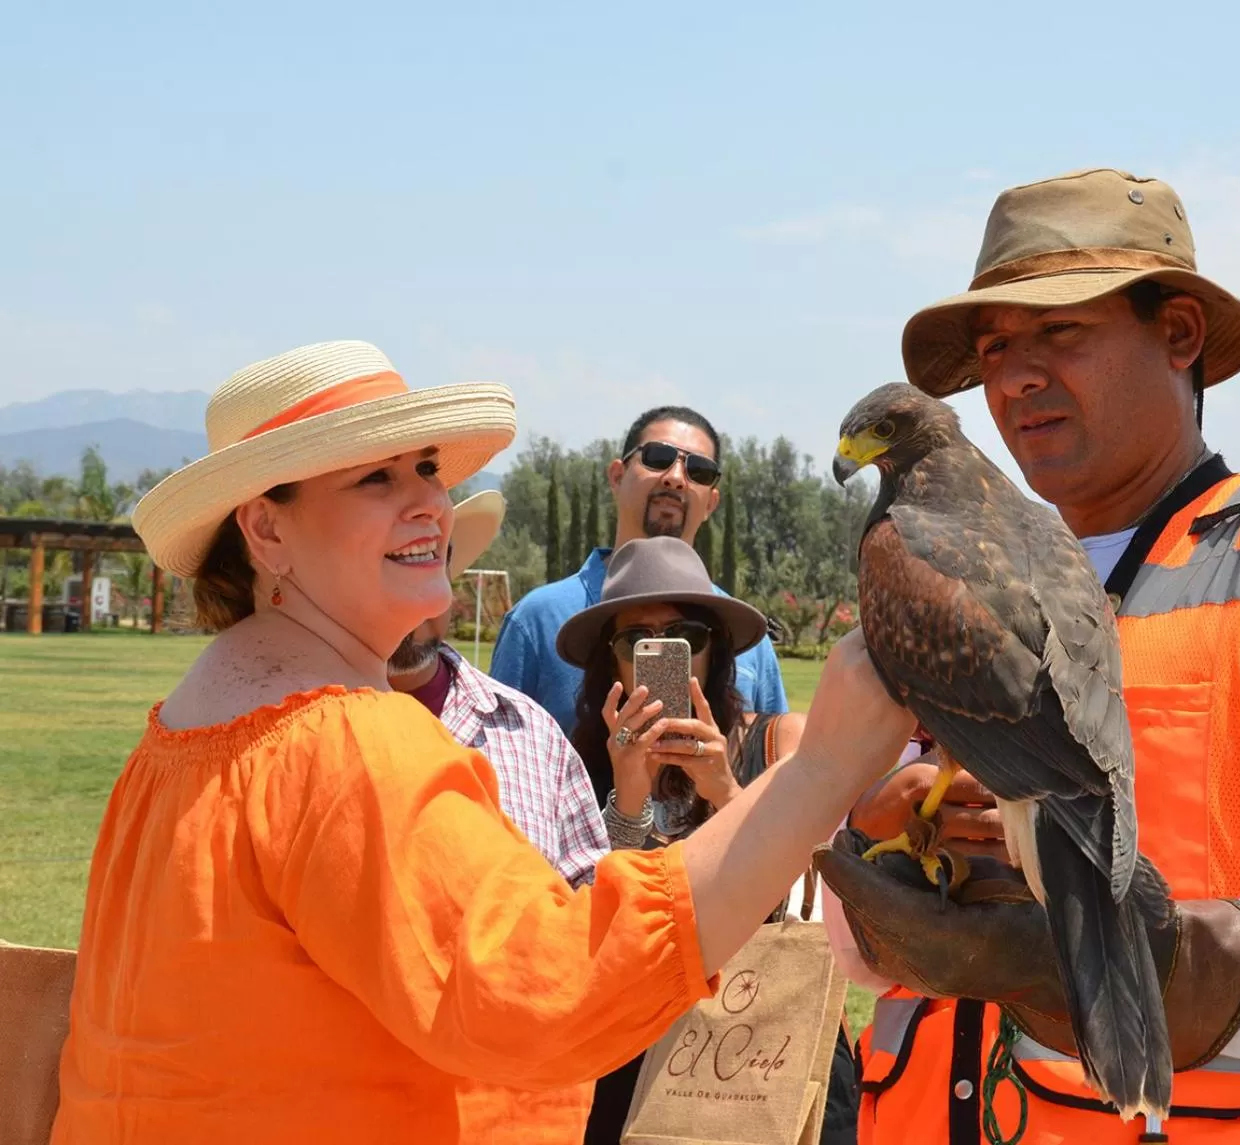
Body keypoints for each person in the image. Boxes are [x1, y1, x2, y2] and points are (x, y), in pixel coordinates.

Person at [48, 340, 917, 1145]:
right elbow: (547, 990)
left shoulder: (181, 733)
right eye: (376, 479)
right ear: (266, 529)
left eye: (427, 468)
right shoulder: (346, 741)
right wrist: (820, 772)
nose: (431, 498)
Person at [816, 168, 1240, 1144]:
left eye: (1060, 332)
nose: (1013, 377)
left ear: (1176, 334)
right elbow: (887, 965)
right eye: (995, 347)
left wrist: (1132, 962)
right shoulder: (944, 561)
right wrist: (885, 860)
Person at [553, 535, 858, 1144]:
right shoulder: (576, 764)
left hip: (769, 1039)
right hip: (633, 1062)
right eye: (634, 640)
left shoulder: (781, 745)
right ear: (609, 663)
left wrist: (726, 791)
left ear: (714, 651)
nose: (659, 655)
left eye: (683, 637)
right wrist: (630, 797)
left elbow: (807, 903)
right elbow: (587, 930)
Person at [489, 405, 788, 734]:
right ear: (617, 476)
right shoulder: (536, 621)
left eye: (699, 470)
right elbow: (497, 766)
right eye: (658, 457)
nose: (675, 478)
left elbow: (769, 771)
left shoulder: (746, 639)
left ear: (711, 504)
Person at [388, 490, 609, 892]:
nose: (417, 590)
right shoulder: (286, 740)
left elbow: (590, 915)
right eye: (395, 563)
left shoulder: (534, 733)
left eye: (432, 560)